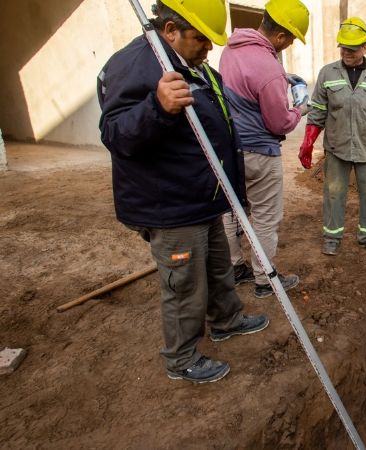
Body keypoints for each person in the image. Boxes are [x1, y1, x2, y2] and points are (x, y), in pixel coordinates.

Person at [97, 0, 268, 384]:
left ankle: (226, 320)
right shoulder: (137, 64)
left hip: (202, 196)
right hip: (170, 204)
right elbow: (116, 134)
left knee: (218, 266)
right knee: (185, 285)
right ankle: (182, 358)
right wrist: (157, 107)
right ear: (171, 29)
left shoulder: (190, 65)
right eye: (200, 39)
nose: (209, 48)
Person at [219, 0, 308, 298]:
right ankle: (264, 279)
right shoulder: (269, 67)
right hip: (259, 152)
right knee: (265, 217)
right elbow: (279, 123)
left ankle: (235, 267)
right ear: (281, 36)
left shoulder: (231, 49)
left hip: (231, 151)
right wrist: (299, 110)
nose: (291, 43)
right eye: (292, 37)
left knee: (232, 211)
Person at [298, 16, 366, 256]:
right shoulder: (327, 74)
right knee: (334, 193)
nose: (347, 52)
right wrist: (307, 143)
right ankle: (332, 237)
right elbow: (317, 112)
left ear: (365, 48)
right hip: (337, 147)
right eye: (344, 47)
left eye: (353, 48)